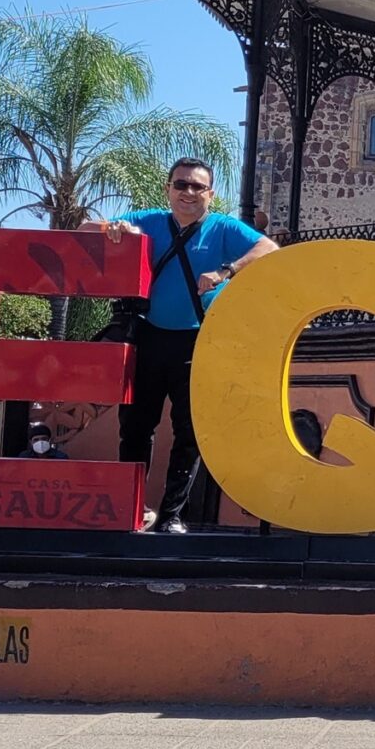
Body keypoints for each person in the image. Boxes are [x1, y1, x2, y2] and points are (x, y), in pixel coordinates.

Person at [97, 158, 277, 534]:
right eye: (181, 185)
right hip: (148, 337)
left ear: (210, 194)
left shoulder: (223, 227)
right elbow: (87, 228)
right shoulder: (147, 220)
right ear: (168, 189)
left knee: (189, 431)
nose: (189, 193)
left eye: (198, 187)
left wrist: (226, 270)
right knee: (135, 428)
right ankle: (129, 509)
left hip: (197, 341)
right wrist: (111, 227)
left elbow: (270, 249)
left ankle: (172, 515)